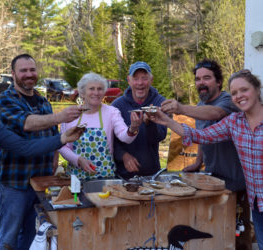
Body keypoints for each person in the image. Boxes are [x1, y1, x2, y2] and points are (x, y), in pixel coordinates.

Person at [0, 59, 83, 250]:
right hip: (14, 184)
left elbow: (24, 147)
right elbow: (26, 123)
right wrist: (61, 117)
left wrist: (62, 139)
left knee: (31, 236)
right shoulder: (5, 101)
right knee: (8, 238)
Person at [151, 69, 263, 250]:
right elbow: (201, 136)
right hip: (257, 203)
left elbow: (214, 114)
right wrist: (167, 121)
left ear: (257, 90)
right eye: (234, 93)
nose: (239, 96)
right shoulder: (234, 121)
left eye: (244, 90)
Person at [59, 72, 142, 180]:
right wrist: (78, 160)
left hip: (105, 179)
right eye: (92, 89)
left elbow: (124, 137)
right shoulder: (70, 114)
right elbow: (62, 146)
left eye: (100, 89)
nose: (96, 92)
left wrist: (133, 128)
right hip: (77, 178)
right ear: (82, 92)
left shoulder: (112, 112)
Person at [112, 61, 167, 179]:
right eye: (135, 79)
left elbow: (160, 137)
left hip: (150, 173)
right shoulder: (117, 105)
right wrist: (123, 155)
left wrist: (149, 124)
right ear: (129, 81)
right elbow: (110, 139)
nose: (140, 83)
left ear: (151, 80)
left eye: (144, 78)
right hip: (122, 174)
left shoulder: (160, 103)